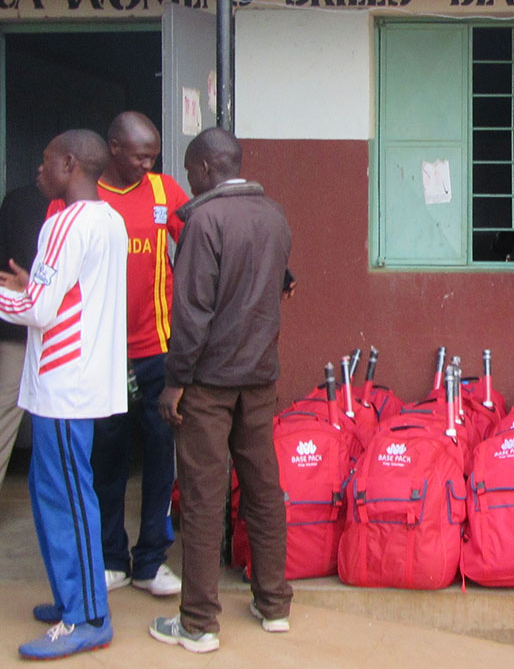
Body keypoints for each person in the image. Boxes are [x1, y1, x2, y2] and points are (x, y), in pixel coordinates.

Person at [0, 130, 128, 660]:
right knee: (52, 494)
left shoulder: (62, 223)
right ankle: (70, 598)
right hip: (80, 381)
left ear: (69, 163)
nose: (38, 172)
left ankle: (88, 617)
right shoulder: (109, 221)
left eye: (44, 162)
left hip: (64, 387)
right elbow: (62, 300)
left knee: (68, 501)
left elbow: (38, 311)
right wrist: (25, 289)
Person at [149, 127, 294, 655]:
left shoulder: (204, 221)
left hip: (208, 383)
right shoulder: (275, 216)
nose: (188, 180)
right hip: (259, 377)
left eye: (190, 170)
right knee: (262, 487)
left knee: (205, 497)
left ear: (208, 167)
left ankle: (198, 623)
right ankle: (274, 603)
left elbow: (191, 314)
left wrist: (175, 383)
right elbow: (278, 282)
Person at [91, 110, 189, 596]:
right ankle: (112, 558)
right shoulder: (86, 194)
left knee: (158, 453)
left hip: (158, 351)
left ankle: (151, 561)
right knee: (106, 456)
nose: (148, 165)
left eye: (154, 156)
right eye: (139, 156)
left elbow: (198, 239)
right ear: (113, 148)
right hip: (103, 354)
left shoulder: (163, 191)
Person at [0, 184, 48, 536]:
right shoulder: (96, 206)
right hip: (65, 327)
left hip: (20, 320)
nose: (41, 170)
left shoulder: (19, 198)